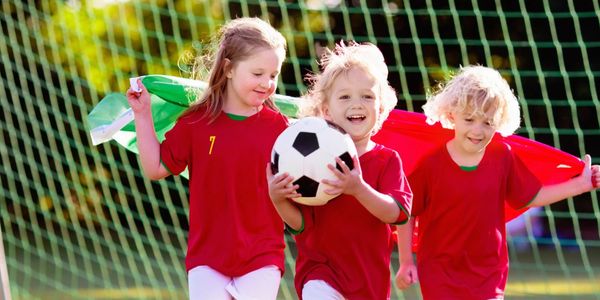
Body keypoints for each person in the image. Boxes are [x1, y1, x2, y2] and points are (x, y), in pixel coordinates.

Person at [394, 65, 600, 299]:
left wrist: (581, 185)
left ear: (499, 121)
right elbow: (405, 212)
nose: (477, 130)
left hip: (488, 272)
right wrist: (406, 261)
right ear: (452, 116)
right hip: (440, 273)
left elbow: (531, 196)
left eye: (487, 122)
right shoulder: (432, 165)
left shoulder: (503, 156)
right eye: (469, 119)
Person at [126, 17, 289, 300]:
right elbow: (155, 168)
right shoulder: (196, 123)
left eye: (273, 75)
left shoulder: (281, 130)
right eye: (258, 73)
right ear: (228, 68)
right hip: (207, 258)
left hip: (262, 256)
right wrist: (142, 114)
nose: (267, 83)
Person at [267, 41, 413, 299]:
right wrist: (278, 198)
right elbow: (300, 224)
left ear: (380, 110)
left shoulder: (388, 160)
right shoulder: (308, 161)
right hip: (319, 274)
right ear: (326, 110)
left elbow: (397, 214)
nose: (356, 104)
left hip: (369, 283)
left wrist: (358, 189)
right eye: (344, 96)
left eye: (367, 96)